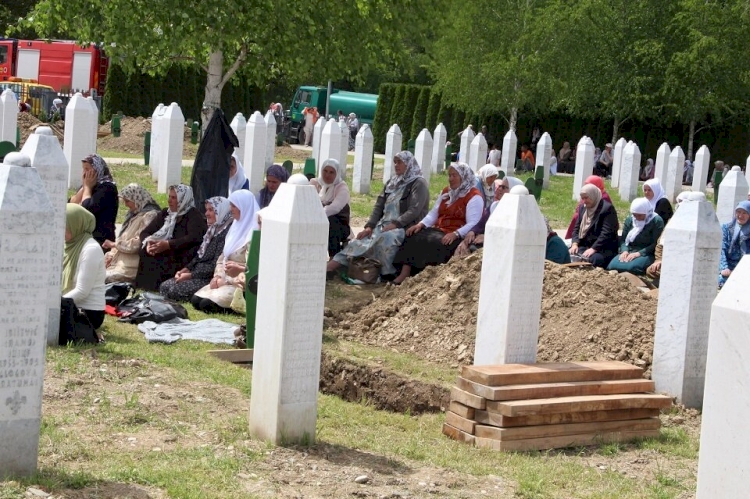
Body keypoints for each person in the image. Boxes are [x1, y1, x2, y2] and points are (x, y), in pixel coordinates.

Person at [326, 151, 429, 280]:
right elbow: (379, 206)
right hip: (384, 225)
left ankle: (385, 274)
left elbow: (414, 210)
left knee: (385, 239)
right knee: (360, 241)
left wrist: (396, 224)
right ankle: (331, 268)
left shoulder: (418, 183)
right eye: (395, 162)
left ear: (408, 164)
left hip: (405, 227)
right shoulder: (393, 181)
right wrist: (369, 226)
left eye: (400, 162)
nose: (396, 165)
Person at [392, 163, 483, 284]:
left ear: (463, 177)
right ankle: (405, 273)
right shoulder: (447, 192)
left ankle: (431, 278)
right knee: (413, 234)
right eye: (449, 175)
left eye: (454, 175)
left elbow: (473, 223)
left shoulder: (474, 196)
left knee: (438, 242)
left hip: (457, 234)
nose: (450, 179)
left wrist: (456, 234)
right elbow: (433, 213)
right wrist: (420, 225)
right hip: (441, 229)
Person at [192, 190, 259, 312]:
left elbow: (252, 268)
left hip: (240, 284)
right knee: (196, 300)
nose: (231, 209)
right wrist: (217, 276)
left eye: (234, 206)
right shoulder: (235, 227)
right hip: (223, 278)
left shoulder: (253, 234)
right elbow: (223, 257)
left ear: (244, 207)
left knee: (206, 304)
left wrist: (227, 281)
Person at [159, 196, 233, 301]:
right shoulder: (212, 230)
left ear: (221, 211)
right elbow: (199, 257)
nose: (207, 213)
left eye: (211, 210)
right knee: (165, 286)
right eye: (206, 210)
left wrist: (190, 275)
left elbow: (214, 265)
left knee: (174, 291)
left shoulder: (225, 234)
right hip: (195, 272)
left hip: (207, 277)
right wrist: (186, 269)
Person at [136, 185, 207, 291]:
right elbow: (145, 232)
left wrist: (168, 244)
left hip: (181, 252)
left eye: (174, 198)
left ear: (183, 199)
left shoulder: (193, 215)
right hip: (163, 247)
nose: (169, 200)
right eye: (169, 197)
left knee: (167, 256)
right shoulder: (166, 213)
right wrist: (148, 243)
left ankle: (162, 286)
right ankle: (146, 286)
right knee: (146, 251)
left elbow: (193, 238)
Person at [104, 184, 161, 283]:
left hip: (130, 266)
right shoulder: (134, 214)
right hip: (118, 262)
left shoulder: (150, 216)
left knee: (96, 278)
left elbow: (138, 244)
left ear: (136, 198)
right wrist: (111, 255)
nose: (126, 204)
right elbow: (123, 237)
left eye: (127, 201)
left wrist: (114, 244)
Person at [454, 176, 523, 257]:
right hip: (486, 241)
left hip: (502, 249)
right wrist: (472, 232)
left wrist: (488, 237)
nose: (499, 189)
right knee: (463, 246)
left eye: (504, 187)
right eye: (500, 186)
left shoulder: (518, 212)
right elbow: (481, 224)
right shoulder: (494, 206)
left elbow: (509, 235)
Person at [63, 204, 106, 329]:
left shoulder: (90, 249)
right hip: (68, 306)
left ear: (76, 224)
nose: (61, 229)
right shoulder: (68, 245)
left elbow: (82, 291)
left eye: (65, 226)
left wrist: (53, 305)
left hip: (87, 312)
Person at [69, 154, 119, 249]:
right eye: (83, 169)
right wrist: (85, 187)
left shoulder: (107, 188)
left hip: (100, 241)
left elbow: (86, 209)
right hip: (84, 239)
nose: (84, 173)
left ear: (97, 169)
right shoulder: (89, 185)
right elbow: (71, 205)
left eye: (88, 169)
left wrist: (87, 187)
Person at [607, 198, 664, 275]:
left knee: (631, 268)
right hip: (630, 250)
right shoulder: (630, 220)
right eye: (634, 215)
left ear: (646, 212)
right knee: (612, 265)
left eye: (640, 215)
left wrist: (639, 253)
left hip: (647, 252)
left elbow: (655, 244)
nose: (637, 218)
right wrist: (624, 250)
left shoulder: (656, 221)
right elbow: (624, 239)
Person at [569, 183, 619, 268]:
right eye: (582, 198)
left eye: (586, 198)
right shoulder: (583, 208)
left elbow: (606, 233)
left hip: (602, 248)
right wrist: (575, 244)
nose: (584, 201)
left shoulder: (607, 209)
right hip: (586, 245)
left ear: (593, 195)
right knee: (570, 254)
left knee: (591, 260)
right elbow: (576, 228)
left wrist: (594, 248)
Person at [647, 191, 690, 285]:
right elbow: (660, 244)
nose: (680, 205)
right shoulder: (672, 221)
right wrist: (659, 260)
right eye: (679, 202)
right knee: (651, 270)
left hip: (685, 262)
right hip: (668, 259)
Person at [310, 158, 351, 256]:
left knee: (331, 221)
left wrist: (317, 216)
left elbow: (335, 208)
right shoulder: (316, 183)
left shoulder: (342, 187)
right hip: (318, 220)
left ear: (337, 173)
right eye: (325, 171)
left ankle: (334, 257)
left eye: (331, 172)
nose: (327, 175)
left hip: (339, 226)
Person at [718, 200, 750, 288]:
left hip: (745, 268)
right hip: (727, 266)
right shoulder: (726, 228)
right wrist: (724, 268)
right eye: (738, 212)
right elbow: (721, 249)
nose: (740, 216)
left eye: (745, 213)